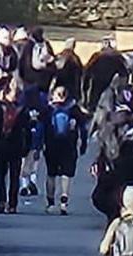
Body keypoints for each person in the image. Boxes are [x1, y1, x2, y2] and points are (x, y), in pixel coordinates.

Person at [41, 86, 86, 214]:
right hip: (69, 145)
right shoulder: (74, 109)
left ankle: (50, 203)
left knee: (51, 174)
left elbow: (40, 126)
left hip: (51, 145)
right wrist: (83, 144)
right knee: (66, 174)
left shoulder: (48, 109)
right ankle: (64, 201)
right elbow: (83, 128)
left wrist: (39, 144)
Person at [0, 84, 32, 214]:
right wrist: (27, 147)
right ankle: (12, 204)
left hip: (1, 146)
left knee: (0, 176)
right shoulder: (22, 111)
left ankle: (1, 202)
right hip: (16, 146)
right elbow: (27, 131)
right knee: (14, 176)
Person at [83, 38, 127, 112]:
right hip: (109, 81)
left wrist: (86, 82)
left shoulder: (97, 55)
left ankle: (92, 109)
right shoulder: (117, 56)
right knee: (107, 99)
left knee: (94, 97)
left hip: (96, 79)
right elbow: (123, 72)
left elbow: (88, 68)